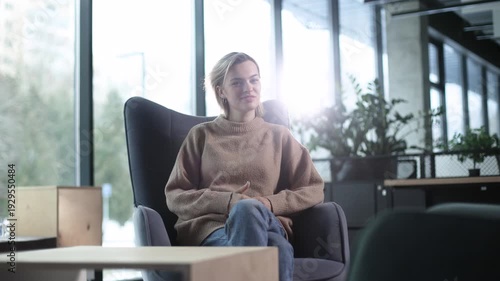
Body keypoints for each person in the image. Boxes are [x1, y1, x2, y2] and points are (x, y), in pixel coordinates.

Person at [165, 52, 324, 281]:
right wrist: (227, 201)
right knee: (277, 250)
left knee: (248, 210)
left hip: (267, 222)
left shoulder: (279, 136)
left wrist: (268, 203)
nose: (248, 87)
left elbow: (314, 188)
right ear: (221, 91)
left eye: (254, 79)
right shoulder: (201, 136)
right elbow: (175, 196)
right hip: (214, 230)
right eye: (237, 82)